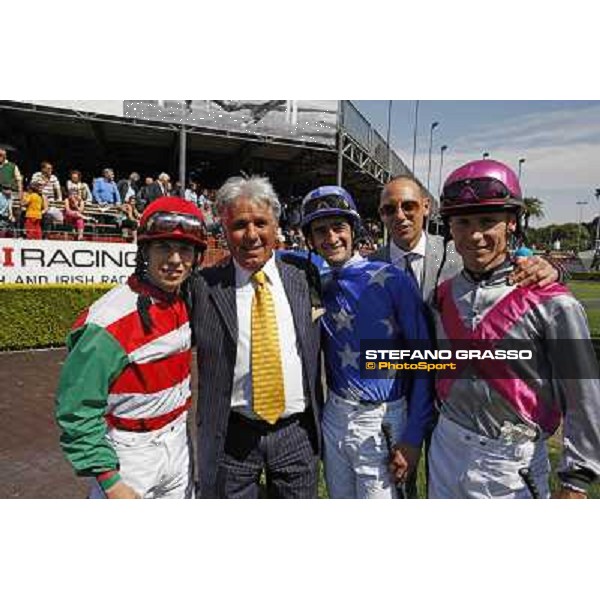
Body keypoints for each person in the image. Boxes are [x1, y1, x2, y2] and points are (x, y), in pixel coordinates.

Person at [424, 159, 600, 499]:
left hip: (510, 468)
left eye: (488, 221)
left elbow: (585, 396)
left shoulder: (554, 302)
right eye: (462, 222)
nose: (475, 235)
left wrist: (576, 480)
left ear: (511, 224)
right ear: (450, 229)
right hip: (445, 449)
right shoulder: (443, 295)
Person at [55, 197, 208, 499]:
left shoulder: (185, 299)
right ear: (144, 251)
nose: (176, 259)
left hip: (179, 443)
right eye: (164, 247)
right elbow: (76, 410)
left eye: (185, 249)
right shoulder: (107, 323)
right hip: (130, 456)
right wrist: (110, 481)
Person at [191, 175, 323, 499]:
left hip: (296, 432)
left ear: (276, 225)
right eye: (239, 225)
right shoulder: (202, 286)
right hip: (233, 436)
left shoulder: (304, 278)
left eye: (260, 223)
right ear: (223, 230)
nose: (251, 235)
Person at [300, 185, 435, 498]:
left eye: (338, 228)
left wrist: (413, 436)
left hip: (383, 420)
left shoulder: (394, 280)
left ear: (354, 230)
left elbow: (426, 363)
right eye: (320, 231)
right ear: (310, 240)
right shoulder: (317, 280)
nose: (331, 238)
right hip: (334, 417)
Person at [372, 175, 560, 298]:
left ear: (426, 207)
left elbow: (506, 270)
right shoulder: (367, 266)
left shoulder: (462, 250)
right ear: (381, 215)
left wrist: (553, 270)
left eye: (409, 206)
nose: (399, 216)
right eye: (389, 210)